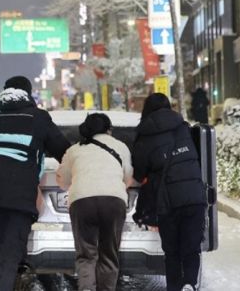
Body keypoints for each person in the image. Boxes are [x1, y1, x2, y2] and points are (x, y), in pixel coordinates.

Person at [0, 76, 71, 291]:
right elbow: (64, 150)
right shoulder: (38, 117)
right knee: (9, 253)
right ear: (29, 93)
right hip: (16, 191)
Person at [132, 93, 207, 291]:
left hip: (167, 201)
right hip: (195, 198)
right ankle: (190, 282)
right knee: (191, 248)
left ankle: (174, 287)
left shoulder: (145, 134)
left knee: (172, 252)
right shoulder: (184, 128)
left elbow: (139, 173)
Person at [56, 113, 133, 291]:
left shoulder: (75, 149)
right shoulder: (121, 146)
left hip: (82, 202)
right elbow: (128, 179)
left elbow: (63, 181)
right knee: (109, 255)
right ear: (109, 129)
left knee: (86, 256)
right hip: (113, 202)